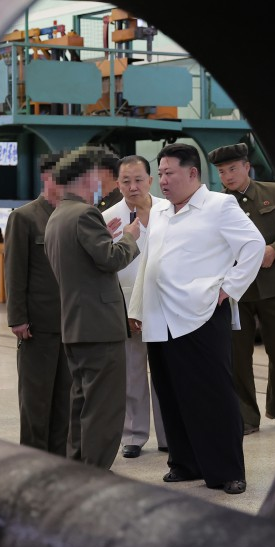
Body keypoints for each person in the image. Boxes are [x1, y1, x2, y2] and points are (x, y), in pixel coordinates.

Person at [128, 143, 264, 495]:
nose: (162, 180)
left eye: (169, 173)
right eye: (160, 174)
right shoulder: (161, 212)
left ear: (192, 173)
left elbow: (253, 245)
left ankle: (227, 471)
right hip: (160, 318)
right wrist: (137, 308)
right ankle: (185, 463)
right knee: (172, 396)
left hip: (200, 315)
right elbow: (150, 261)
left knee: (213, 396)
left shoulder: (219, 206)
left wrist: (229, 288)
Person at [44, 146, 142, 470]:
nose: (108, 184)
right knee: (104, 408)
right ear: (88, 176)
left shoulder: (59, 215)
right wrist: (129, 237)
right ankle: (96, 472)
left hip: (76, 325)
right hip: (99, 328)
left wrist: (105, 238)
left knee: (82, 404)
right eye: (104, 176)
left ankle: (78, 468)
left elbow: (82, 261)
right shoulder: (85, 214)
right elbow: (111, 259)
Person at [207, 143, 275, 434]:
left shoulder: (274, 192)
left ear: (247, 167)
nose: (228, 176)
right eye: (222, 172)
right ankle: (247, 416)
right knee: (239, 356)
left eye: (233, 169)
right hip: (237, 291)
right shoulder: (217, 204)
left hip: (273, 287)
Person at [4, 151, 71, 456]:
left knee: (65, 400)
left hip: (70, 323)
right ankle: (33, 460)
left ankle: (58, 462)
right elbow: (14, 271)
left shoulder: (73, 215)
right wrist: (17, 317)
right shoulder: (25, 217)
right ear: (47, 177)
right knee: (36, 401)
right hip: (37, 326)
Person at [103, 155, 169, 458]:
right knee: (132, 373)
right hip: (126, 306)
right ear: (117, 184)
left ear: (150, 181)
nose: (133, 187)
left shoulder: (168, 210)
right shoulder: (107, 218)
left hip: (164, 303)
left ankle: (169, 434)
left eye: (139, 180)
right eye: (126, 181)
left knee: (167, 372)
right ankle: (133, 434)